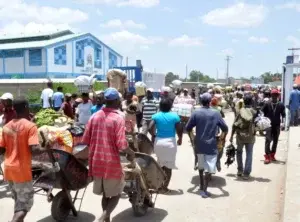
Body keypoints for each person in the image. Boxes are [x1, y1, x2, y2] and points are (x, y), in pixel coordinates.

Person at [82, 88, 135, 222]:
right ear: (117, 100)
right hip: (111, 162)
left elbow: (85, 140)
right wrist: (131, 152)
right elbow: (121, 144)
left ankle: (106, 219)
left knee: (106, 194)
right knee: (117, 193)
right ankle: (104, 217)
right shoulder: (118, 117)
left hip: (96, 161)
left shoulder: (94, 116)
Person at [0, 98, 43, 222]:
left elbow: (1, 150)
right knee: (24, 205)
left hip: (9, 169)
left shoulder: (7, 126)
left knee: (18, 201)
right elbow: (34, 149)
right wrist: (46, 147)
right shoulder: (30, 126)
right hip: (21, 171)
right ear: (26, 107)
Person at [186, 93, 228, 198]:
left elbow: (188, 128)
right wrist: (222, 139)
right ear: (210, 102)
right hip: (211, 143)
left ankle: (201, 186)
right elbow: (225, 128)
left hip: (199, 143)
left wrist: (192, 138)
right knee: (210, 166)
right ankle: (204, 189)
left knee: (200, 164)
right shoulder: (216, 113)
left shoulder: (196, 113)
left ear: (200, 101)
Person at [150, 98, 183, 194]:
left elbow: (149, 127)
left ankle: (158, 185)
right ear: (170, 106)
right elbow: (179, 128)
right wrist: (180, 138)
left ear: (160, 106)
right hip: (170, 143)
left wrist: (153, 135)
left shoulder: (156, 116)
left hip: (159, 142)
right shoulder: (174, 116)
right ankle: (164, 187)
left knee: (160, 164)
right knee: (168, 166)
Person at [230, 94, 257, 180]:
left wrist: (231, 136)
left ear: (244, 102)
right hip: (250, 137)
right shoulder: (254, 112)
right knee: (249, 154)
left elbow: (234, 125)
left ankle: (240, 171)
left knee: (239, 153)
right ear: (251, 101)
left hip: (240, 136)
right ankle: (246, 173)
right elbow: (258, 125)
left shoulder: (240, 111)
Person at [262, 89, 285, 164]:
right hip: (268, 125)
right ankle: (267, 156)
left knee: (275, 141)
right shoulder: (267, 103)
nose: (274, 96)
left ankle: (272, 154)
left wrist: (283, 123)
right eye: (273, 95)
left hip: (277, 125)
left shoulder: (281, 104)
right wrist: (262, 122)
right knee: (268, 140)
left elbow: (283, 114)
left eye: (276, 95)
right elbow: (262, 113)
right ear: (271, 95)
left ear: (278, 95)